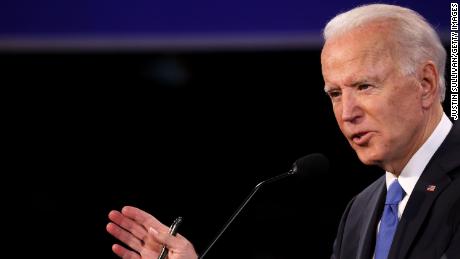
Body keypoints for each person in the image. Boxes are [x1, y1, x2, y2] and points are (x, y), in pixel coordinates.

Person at [106, 4, 459, 259]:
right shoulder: (362, 211)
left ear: (425, 83)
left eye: (365, 86)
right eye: (335, 94)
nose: (347, 113)